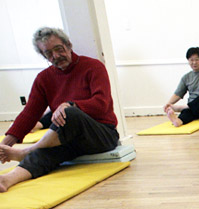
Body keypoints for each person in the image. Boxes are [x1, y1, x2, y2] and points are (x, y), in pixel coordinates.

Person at [0, 27, 119, 193]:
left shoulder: (93, 67)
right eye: (48, 53)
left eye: (59, 49)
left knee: (69, 112)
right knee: (46, 152)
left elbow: (101, 103)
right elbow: (29, 114)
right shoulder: (44, 79)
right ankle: (6, 180)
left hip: (101, 135)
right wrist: (3, 146)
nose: (55, 56)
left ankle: (27, 151)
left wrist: (71, 104)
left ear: (69, 45)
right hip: (69, 138)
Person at [164, 47, 199, 127]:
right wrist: (168, 104)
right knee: (187, 111)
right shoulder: (186, 77)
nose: (194, 62)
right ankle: (178, 121)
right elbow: (178, 94)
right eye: (191, 60)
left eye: (197, 59)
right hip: (193, 109)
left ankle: (181, 108)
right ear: (188, 61)